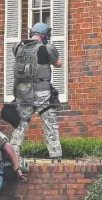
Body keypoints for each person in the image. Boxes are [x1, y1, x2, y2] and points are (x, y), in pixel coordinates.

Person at [10, 22, 63, 161]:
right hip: (42, 94)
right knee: (50, 124)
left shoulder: (18, 47)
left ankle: (12, 156)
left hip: (23, 94)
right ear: (43, 34)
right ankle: (56, 156)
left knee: (20, 125)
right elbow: (58, 64)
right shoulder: (46, 49)